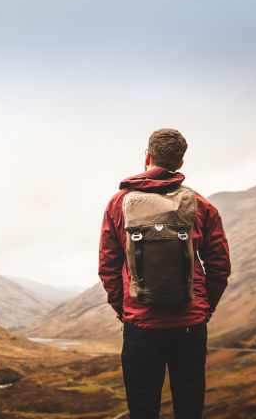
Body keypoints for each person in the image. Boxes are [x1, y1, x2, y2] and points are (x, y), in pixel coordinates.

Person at [98, 128, 231, 419]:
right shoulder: (202, 206)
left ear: (147, 157)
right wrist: (204, 308)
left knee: (143, 409)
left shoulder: (118, 203)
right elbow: (219, 267)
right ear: (180, 164)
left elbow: (107, 268)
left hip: (140, 326)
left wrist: (125, 310)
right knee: (189, 408)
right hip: (190, 325)